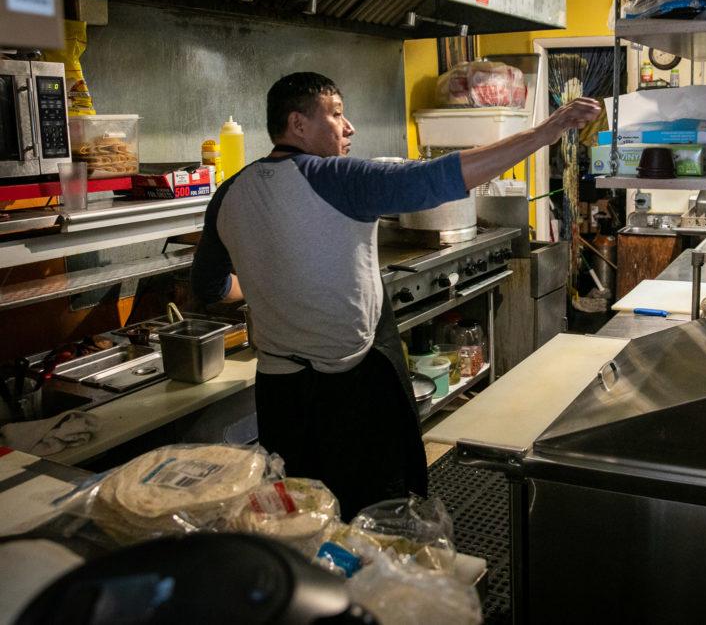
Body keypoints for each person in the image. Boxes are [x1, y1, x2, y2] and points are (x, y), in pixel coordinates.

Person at [191, 72, 601, 518]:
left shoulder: (228, 192)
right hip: (350, 390)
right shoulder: (338, 178)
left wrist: (274, 277)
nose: (349, 128)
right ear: (298, 124)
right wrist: (547, 130)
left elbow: (211, 288)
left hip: (280, 394)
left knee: (300, 511)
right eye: (337, 114)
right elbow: (440, 178)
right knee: (375, 510)